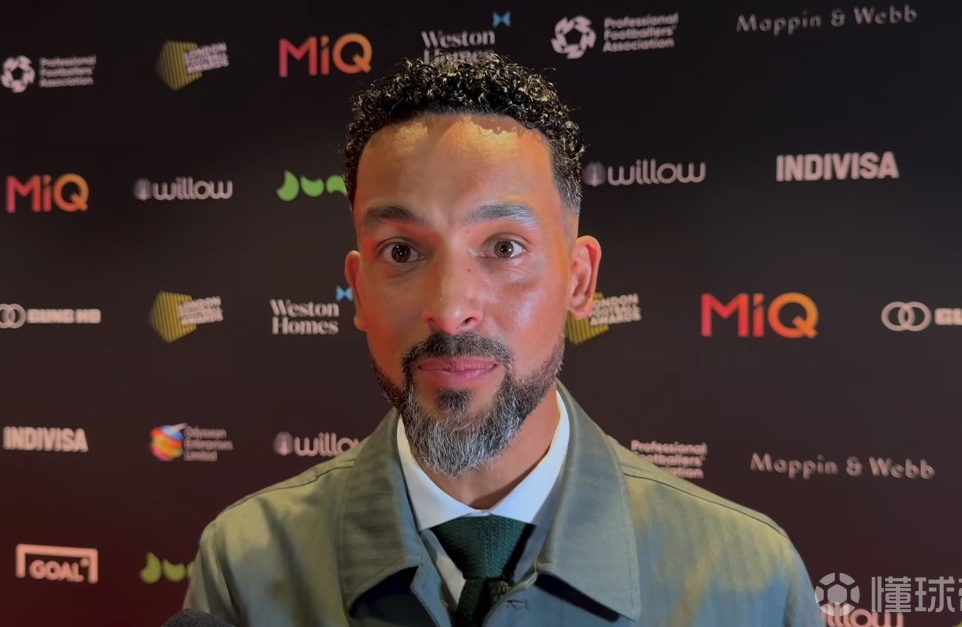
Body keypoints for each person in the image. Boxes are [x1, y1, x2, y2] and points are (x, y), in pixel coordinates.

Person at [183, 53, 824, 627]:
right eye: (401, 251)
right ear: (358, 288)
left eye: (505, 248)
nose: (450, 310)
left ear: (580, 280)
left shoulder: (748, 581)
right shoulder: (245, 565)